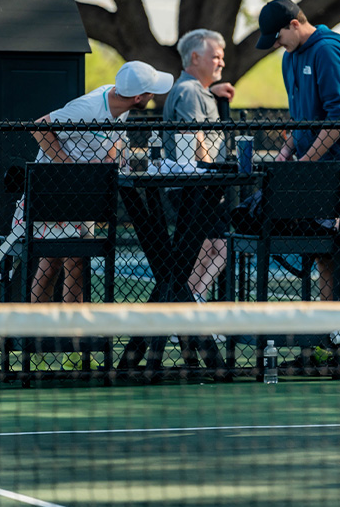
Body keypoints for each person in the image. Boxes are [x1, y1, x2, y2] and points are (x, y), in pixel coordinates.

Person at [23, 61, 173, 367]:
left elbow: (113, 139)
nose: (153, 94)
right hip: (51, 192)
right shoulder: (88, 107)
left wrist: (109, 159)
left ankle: (61, 346)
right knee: (61, 261)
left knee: (66, 262)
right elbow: (39, 126)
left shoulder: (121, 106)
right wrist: (69, 168)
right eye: (150, 90)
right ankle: (48, 344)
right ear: (138, 97)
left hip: (81, 197)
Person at [256, 0, 340, 365]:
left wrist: (305, 161)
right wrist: (287, 153)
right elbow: (300, 117)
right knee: (324, 252)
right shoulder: (290, 57)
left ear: (294, 25)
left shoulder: (327, 50)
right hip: (315, 168)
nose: (276, 44)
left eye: (277, 36)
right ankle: (328, 338)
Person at [162, 29, 236, 304]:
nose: (221, 63)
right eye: (215, 56)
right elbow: (195, 136)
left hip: (198, 185)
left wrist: (211, 93)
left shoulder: (194, 90)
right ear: (195, 57)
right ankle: (190, 306)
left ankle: (191, 302)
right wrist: (208, 181)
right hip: (196, 186)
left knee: (216, 246)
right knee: (207, 248)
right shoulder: (189, 91)